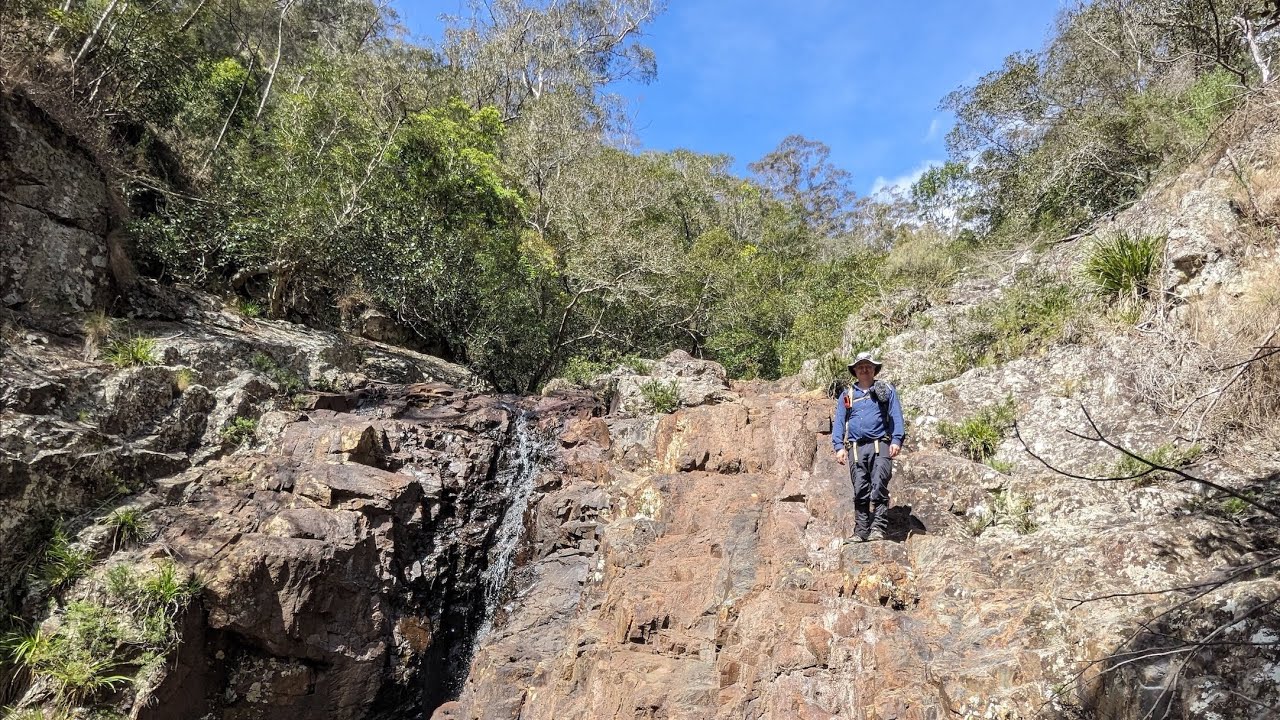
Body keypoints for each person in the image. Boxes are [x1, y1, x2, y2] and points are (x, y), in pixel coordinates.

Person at [832, 351, 905, 542]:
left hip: (880, 444)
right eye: (860, 367)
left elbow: (896, 415)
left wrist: (896, 440)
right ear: (855, 371)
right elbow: (840, 420)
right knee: (860, 489)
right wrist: (839, 446)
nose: (864, 370)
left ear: (874, 370)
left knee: (879, 484)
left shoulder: (886, 390)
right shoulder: (847, 395)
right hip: (855, 449)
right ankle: (861, 531)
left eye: (868, 366)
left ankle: (878, 528)